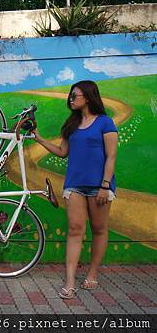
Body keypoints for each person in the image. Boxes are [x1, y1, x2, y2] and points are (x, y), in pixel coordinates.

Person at [32, 80, 117, 299]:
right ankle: (70, 281)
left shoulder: (105, 123)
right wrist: (39, 138)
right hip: (75, 185)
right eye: (70, 95)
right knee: (75, 230)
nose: (70, 99)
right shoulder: (71, 125)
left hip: (100, 186)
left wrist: (105, 185)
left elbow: (111, 156)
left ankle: (92, 272)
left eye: (74, 95)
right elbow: (62, 152)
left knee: (99, 229)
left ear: (87, 97)